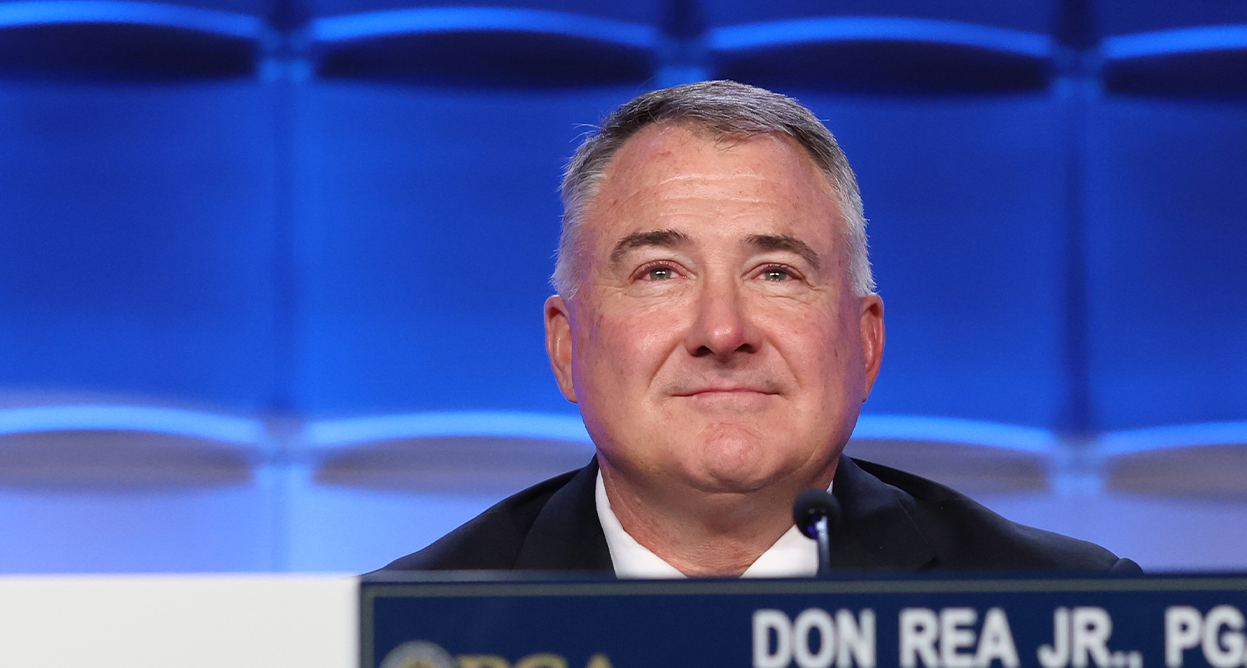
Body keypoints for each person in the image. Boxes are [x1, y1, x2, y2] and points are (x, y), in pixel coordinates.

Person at [383, 81, 1137, 577]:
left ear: (866, 347)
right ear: (566, 348)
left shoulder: (1064, 612)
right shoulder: (394, 638)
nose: (722, 330)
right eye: (660, 273)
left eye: (776, 273)